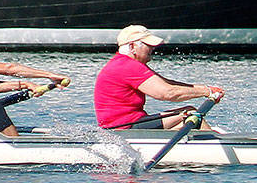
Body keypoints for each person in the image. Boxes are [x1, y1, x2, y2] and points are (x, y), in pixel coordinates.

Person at [94, 25, 224, 129]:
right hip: (123, 128)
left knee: (187, 121)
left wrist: (207, 88)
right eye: (148, 45)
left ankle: (211, 141)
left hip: (126, 124)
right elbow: (168, 93)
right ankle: (219, 147)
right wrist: (206, 92)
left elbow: (167, 84)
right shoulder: (128, 66)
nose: (152, 48)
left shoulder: (123, 63)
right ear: (132, 46)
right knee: (190, 112)